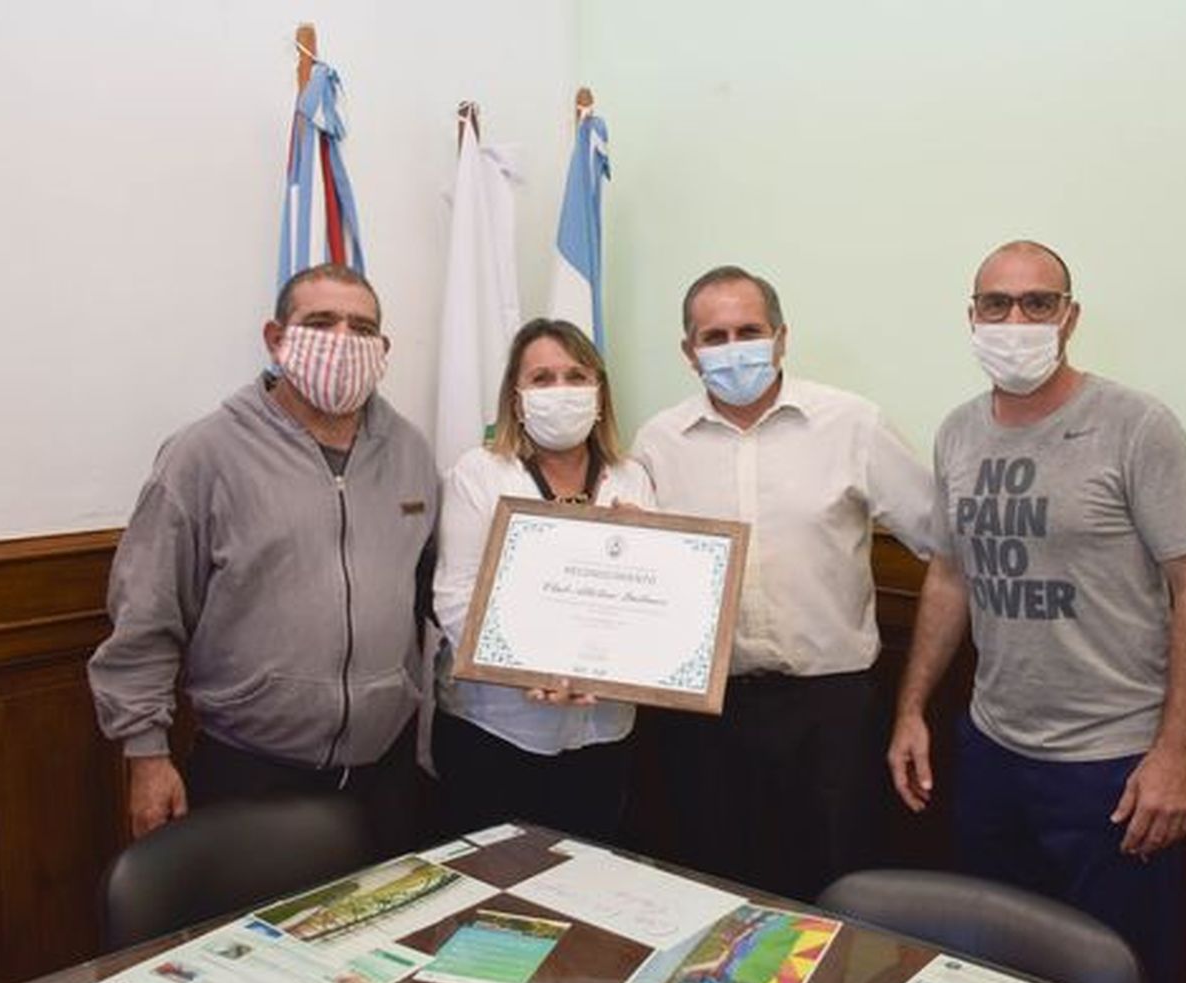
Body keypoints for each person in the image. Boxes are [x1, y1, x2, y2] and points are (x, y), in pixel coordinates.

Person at [887, 240, 1186, 983]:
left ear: (1070, 316)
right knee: (995, 974)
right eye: (996, 303)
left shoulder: (1136, 424)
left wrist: (1178, 753)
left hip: (1111, 768)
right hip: (993, 753)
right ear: (970, 317)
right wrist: (911, 707)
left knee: (1118, 970)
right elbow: (949, 576)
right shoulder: (958, 433)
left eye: (1038, 302)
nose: (1016, 319)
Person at [87, 263, 436, 856]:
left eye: (362, 327)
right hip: (251, 772)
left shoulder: (409, 451)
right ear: (277, 338)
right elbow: (145, 616)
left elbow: (430, 589)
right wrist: (146, 755)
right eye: (321, 322)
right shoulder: (204, 455)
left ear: (383, 349)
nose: (342, 341)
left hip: (385, 771)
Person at [631, 265, 935, 902]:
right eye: (714, 337)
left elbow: (942, 545)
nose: (733, 347)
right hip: (704, 718)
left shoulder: (853, 424)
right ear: (689, 353)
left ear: (782, 338)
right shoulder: (658, 443)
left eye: (750, 330)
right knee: (711, 891)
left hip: (830, 712)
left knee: (833, 892)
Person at [431, 318, 655, 841]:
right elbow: (456, 597)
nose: (562, 390)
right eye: (543, 378)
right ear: (517, 396)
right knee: (492, 895)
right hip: (496, 732)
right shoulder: (480, 473)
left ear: (599, 393)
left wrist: (641, 548)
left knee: (584, 886)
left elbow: (651, 601)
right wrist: (528, 668)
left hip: (604, 733)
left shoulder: (631, 478)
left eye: (576, 376)